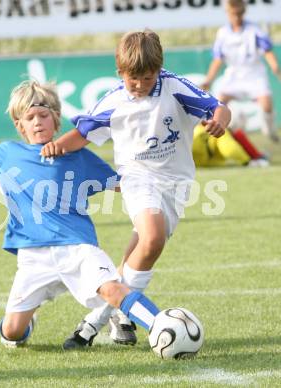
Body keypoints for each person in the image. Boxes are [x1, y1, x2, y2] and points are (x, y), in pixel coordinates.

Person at [0, 80, 161, 349]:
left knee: (112, 290)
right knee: (11, 333)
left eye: (43, 116)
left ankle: (162, 325)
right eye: (30, 118)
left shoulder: (78, 156)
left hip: (78, 248)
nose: (37, 122)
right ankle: (28, 318)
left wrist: (156, 189)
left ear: (56, 120)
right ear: (20, 125)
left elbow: (124, 185)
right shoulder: (7, 154)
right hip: (33, 258)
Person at [41, 30, 231, 349]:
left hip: (176, 183)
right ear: (120, 73)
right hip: (136, 176)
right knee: (153, 237)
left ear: (159, 70)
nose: (140, 85)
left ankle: (97, 322)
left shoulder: (174, 87)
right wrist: (55, 147)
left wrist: (219, 121)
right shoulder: (115, 100)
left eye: (147, 78)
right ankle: (113, 318)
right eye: (133, 79)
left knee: (141, 251)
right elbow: (84, 132)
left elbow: (218, 107)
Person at [202, 0, 281, 143]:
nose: (236, 17)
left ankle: (269, 131)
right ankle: (217, 137)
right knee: (218, 104)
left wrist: (276, 68)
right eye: (233, 14)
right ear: (228, 13)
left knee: (267, 105)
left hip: (254, 74)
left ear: (243, 12)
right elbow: (217, 59)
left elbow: (267, 51)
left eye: (239, 14)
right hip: (234, 75)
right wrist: (209, 79)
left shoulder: (254, 30)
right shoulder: (223, 33)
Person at [192, 125, 269, 168]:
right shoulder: (222, 133)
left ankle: (256, 156)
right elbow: (230, 150)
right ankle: (256, 157)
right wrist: (247, 162)